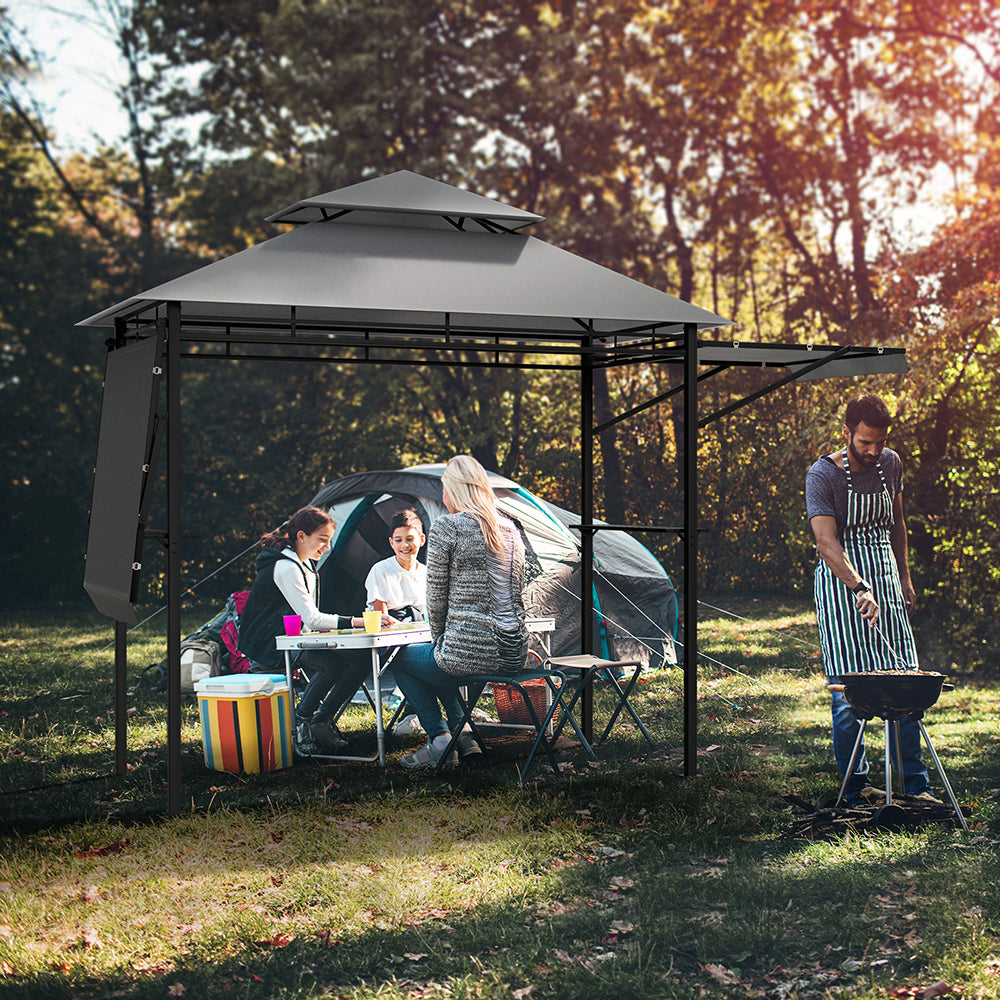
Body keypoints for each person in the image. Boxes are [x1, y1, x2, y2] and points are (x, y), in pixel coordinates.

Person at [805, 392, 935, 805]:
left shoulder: (891, 463)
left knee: (905, 682)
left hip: (887, 577)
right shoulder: (821, 475)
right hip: (843, 586)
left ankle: (915, 787)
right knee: (848, 691)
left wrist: (905, 579)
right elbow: (826, 544)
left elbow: (897, 524)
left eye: (879, 442)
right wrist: (860, 587)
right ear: (846, 433)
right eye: (865, 443)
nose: (873, 451)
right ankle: (856, 789)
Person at [391, 455, 531, 768]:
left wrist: (441, 640)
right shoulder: (510, 529)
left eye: (443, 488)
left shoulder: (447, 527)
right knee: (438, 662)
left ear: (454, 489)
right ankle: (464, 738)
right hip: (513, 653)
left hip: (468, 652)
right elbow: (517, 592)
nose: (442, 496)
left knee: (400, 659)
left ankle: (441, 741)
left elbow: (436, 597)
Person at [238, 506, 387, 755]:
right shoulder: (286, 567)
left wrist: (322, 629)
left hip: (295, 637)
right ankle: (301, 721)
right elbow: (312, 617)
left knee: (362, 660)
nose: (326, 548)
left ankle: (321, 721)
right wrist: (359, 621)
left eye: (328, 541)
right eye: (322, 540)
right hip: (269, 643)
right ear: (301, 536)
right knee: (331, 665)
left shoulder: (305, 564)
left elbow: (307, 618)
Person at [364, 508, 427, 620]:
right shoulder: (380, 570)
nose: (404, 545)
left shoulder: (426, 572)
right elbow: (381, 618)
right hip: (390, 625)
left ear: (421, 539)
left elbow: (427, 613)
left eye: (409, 539)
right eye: (398, 540)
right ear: (391, 543)